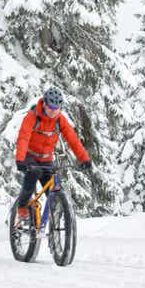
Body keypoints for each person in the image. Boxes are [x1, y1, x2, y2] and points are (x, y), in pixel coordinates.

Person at [13, 86, 92, 223]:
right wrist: (20, 159)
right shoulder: (33, 116)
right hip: (29, 156)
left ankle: (54, 224)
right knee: (33, 175)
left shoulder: (59, 120)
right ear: (44, 103)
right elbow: (23, 137)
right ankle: (22, 206)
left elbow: (72, 139)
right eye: (50, 107)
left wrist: (84, 158)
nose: (53, 111)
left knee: (53, 190)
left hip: (46, 159)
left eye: (56, 108)